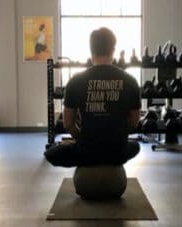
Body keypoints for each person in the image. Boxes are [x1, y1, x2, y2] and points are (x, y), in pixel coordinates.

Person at [44, 27, 141, 167]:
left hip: (87, 151)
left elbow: (68, 124)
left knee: (50, 153)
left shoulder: (75, 81)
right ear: (113, 50)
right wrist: (118, 138)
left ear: (91, 51)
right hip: (117, 152)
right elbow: (133, 123)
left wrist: (82, 139)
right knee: (135, 146)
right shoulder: (130, 81)